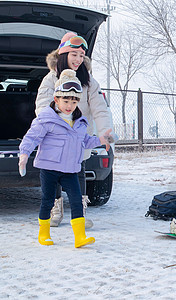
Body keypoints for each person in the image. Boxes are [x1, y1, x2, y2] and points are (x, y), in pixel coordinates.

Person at [19, 69, 113, 247]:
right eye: (66, 100)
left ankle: (79, 237)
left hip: (70, 169)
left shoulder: (80, 121)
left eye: (74, 100)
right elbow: (32, 137)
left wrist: (101, 139)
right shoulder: (47, 118)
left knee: (77, 200)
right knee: (48, 200)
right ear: (56, 99)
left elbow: (84, 140)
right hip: (50, 168)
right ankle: (44, 233)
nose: (70, 105)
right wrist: (24, 154)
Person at [36, 32, 113, 229]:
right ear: (63, 55)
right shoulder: (50, 79)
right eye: (74, 54)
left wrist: (104, 132)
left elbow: (99, 107)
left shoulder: (88, 80)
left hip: (78, 137)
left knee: (78, 170)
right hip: (55, 138)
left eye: (81, 55)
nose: (78, 59)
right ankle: (56, 208)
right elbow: (43, 106)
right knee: (53, 173)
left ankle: (80, 212)